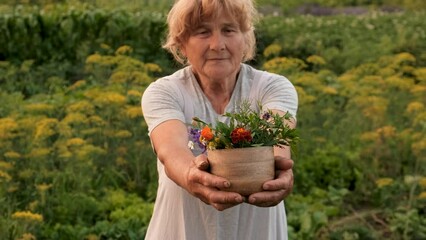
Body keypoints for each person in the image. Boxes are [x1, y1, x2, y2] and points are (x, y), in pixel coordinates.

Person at [141, 0, 298, 239]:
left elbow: (278, 145)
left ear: (245, 38)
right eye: (203, 32)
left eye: (229, 30)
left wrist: (279, 174)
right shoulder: (165, 92)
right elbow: (171, 152)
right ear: (182, 44)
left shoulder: (273, 88)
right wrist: (191, 176)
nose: (218, 45)